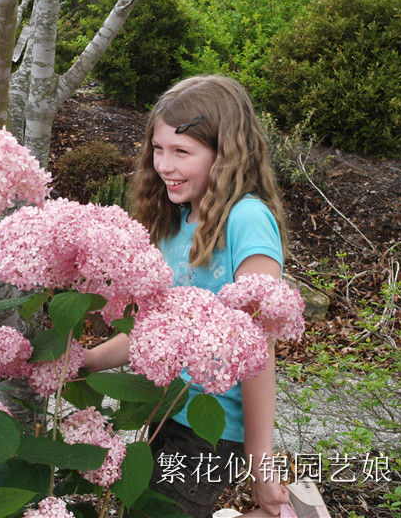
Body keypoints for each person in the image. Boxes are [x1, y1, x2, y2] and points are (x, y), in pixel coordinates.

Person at [83, 75, 291, 517]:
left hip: (211, 434)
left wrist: (260, 463)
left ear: (225, 154)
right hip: (162, 412)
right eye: (158, 149)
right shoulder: (175, 221)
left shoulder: (247, 221)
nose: (165, 165)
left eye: (182, 152)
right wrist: (88, 363)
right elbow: (152, 331)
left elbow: (258, 350)